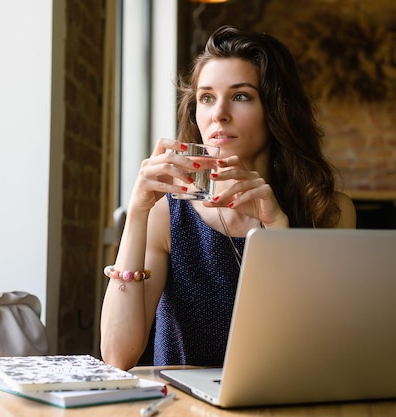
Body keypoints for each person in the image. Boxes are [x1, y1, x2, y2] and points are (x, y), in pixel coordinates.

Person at [100, 25, 356, 371]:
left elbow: (323, 353)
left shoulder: (329, 212)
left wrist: (278, 229)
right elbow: (118, 355)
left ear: (276, 109)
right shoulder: (168, 215)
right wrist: (137, 212)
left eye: (240, 96)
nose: (218, 113)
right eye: (206, 97)